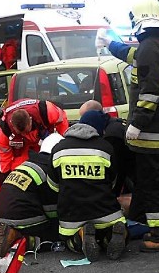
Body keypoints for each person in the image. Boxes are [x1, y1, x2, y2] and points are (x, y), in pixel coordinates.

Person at [106, 0, 159, 252]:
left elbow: (150, 92)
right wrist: (111, 45)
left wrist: (137, 123)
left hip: (151, 131)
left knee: (153, 183)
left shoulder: (150, 48)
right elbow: (136, 57)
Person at [48, 110, 127, 261]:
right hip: (107, 212)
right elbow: (113, 181)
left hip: (72, 215)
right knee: (108, 232)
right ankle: (115, 235)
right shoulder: (105, 147)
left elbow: (53, 185)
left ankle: (80, 236)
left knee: (71, 244)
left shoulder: (58, 149)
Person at [0, 133, 63, 257]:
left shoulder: (26, 165)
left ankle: (4, 235)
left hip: (1, 215)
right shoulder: (47, 170)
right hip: (24, 217)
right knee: (56, 239)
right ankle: (21, 240)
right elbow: (51, 209)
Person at [0, 98, 69, 173]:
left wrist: (63, 146)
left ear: (30, 121)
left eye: (26, 131)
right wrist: (6, 174)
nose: (25, 134)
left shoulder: (47, 111)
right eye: (20, 133)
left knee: (54, 162)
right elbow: (4, 155)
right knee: (17, 169)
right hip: (24, 146)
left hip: (43, 138)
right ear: (13, 126)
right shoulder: (4, 129)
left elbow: (62, 122)